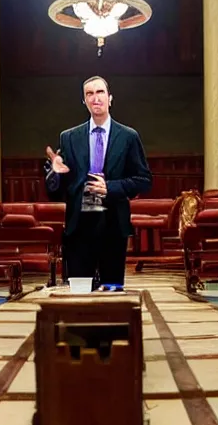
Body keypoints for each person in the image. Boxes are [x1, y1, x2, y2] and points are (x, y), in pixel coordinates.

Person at [45, 75, 152, 287]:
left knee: (113, 293)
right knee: (79, 292)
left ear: (110, 98)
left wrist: (110, 187)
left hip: (113, 223)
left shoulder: (128, 136)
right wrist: (56, 173)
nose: (95, 98)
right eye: (89, 94)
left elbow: (144, 180)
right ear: (84, 101)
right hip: (79, 225)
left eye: (100, 92)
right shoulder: (68, 137)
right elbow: (56, 190)